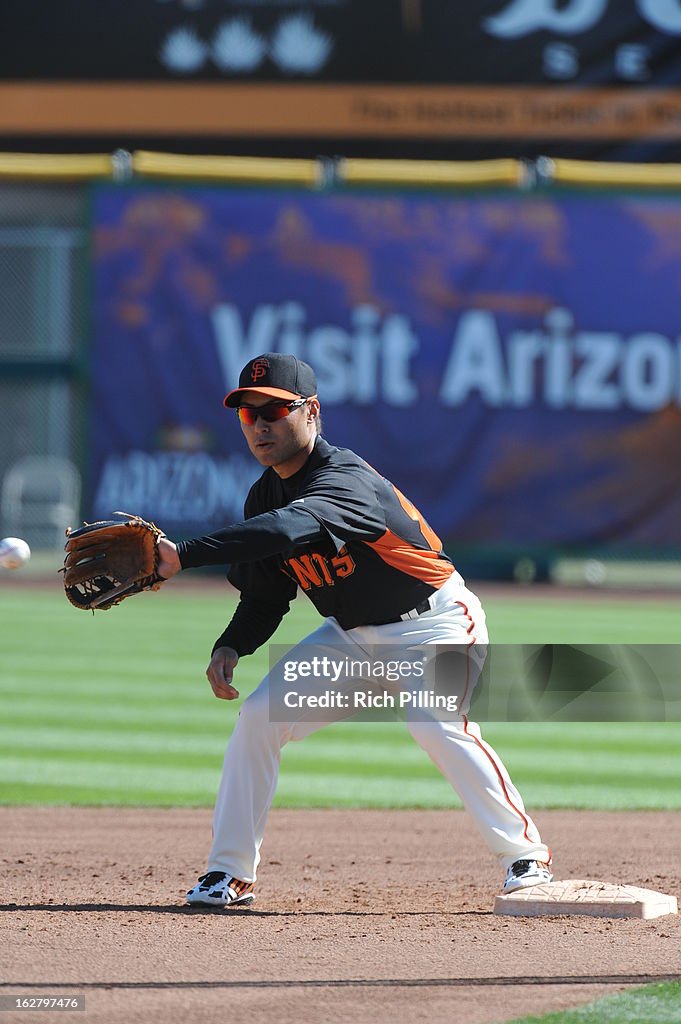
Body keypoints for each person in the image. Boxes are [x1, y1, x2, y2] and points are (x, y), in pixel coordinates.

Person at [156, 353, 552, 908]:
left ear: (311, 411)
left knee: (434, 723)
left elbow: (293, 526)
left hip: (434, 624)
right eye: (249, 415)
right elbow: (267, 594)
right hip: (351, 639)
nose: (261, 424)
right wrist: (232, 645)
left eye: (274, 409)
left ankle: (525, 858)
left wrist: (185, 554)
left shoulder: (346, 479)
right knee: (257, 719)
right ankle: (228, 873)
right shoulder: (262, 496)